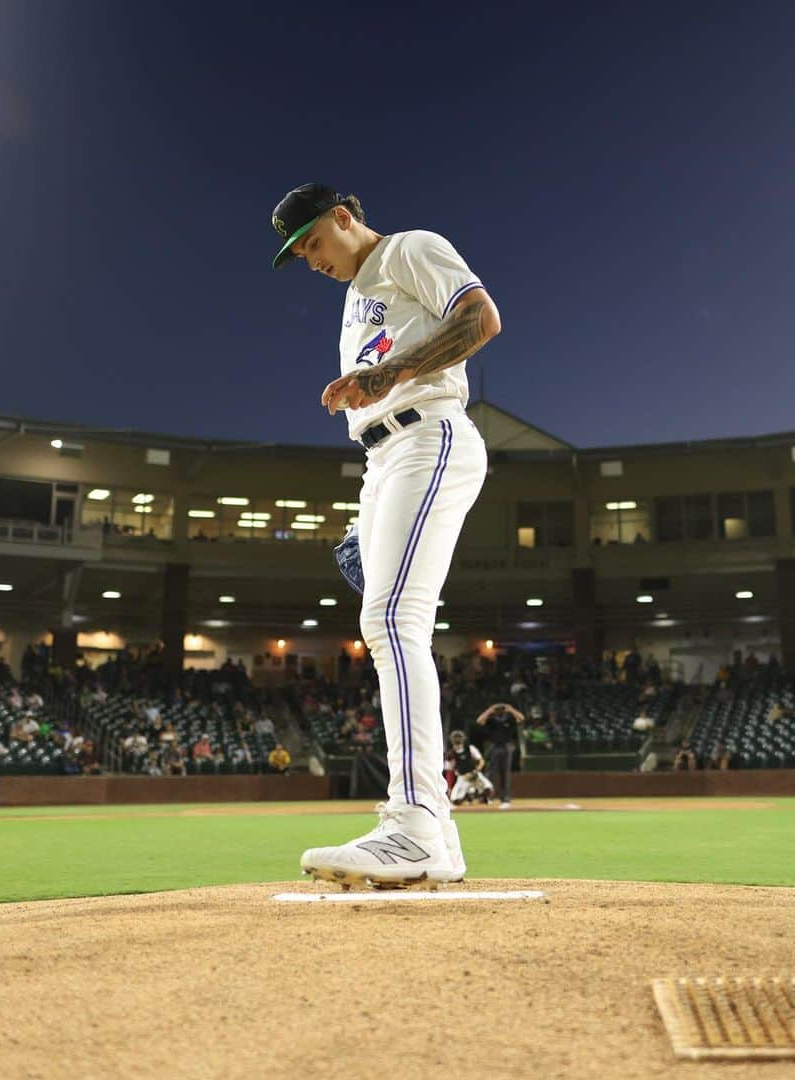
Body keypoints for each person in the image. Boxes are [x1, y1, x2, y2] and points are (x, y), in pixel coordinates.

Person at [273, 183, 500, 888]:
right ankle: (439, 834)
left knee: (392, 619)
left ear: (344, 218)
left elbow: (481, 318)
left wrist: (392, 372)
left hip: (428, 436)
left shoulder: (408, 248)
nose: (309, 259)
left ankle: (411, 826)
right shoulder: (354, 296)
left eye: (313, 241)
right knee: (390, 622)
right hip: (382, 459)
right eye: (299, 251)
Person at [476, 702, 525, 809]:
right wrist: (490, 710)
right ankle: (487, 797)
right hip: (493, 746)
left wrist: (511, 709)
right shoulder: (492, 720)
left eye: (501, 709)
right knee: (490, 773)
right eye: (498, 709)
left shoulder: (509, 719)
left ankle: (505, 798)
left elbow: (521, 719)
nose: (499, 711)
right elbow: (479, 721)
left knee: (505, 774)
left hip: (506, 747)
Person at [446, 730, 494, 806]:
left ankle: (481, 797)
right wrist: (449, 786)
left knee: (488, 788)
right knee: (455, 800)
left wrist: (475, 771)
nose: (457, 739)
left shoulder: (470, 748)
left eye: (459, 737)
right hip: (463, 777)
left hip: (474, 774)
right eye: (456, 738)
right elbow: (449, 771)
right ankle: (468, 795)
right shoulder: (450, 754)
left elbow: (481, 761)